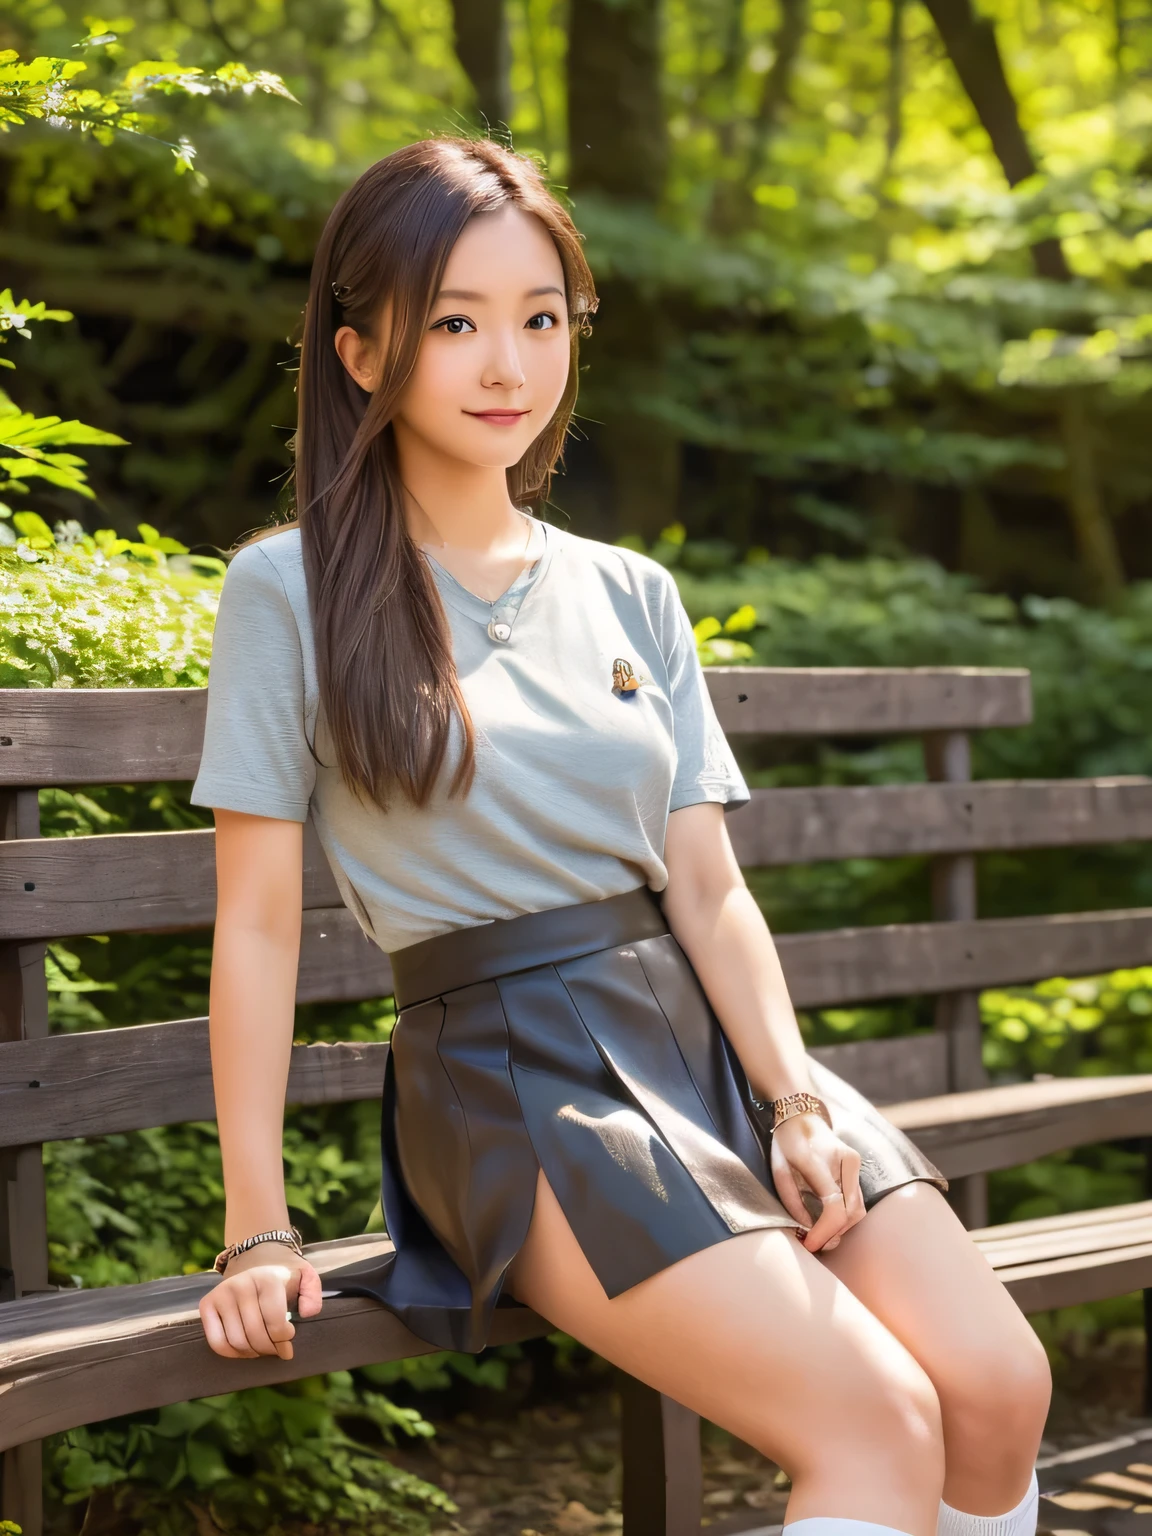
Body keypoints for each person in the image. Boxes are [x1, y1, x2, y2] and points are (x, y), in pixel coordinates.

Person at [191, 136, 1051, 1536]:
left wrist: (796, 1100)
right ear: (360, 353)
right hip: (518, 1072)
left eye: (541, 317)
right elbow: (260, 921)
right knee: (876, 1426)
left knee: (999, 1385)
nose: (506, 364)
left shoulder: (632, 590)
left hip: (698, 1040)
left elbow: (707, 887)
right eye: (455, 322)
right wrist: (256, 1224)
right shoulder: (288, 592)